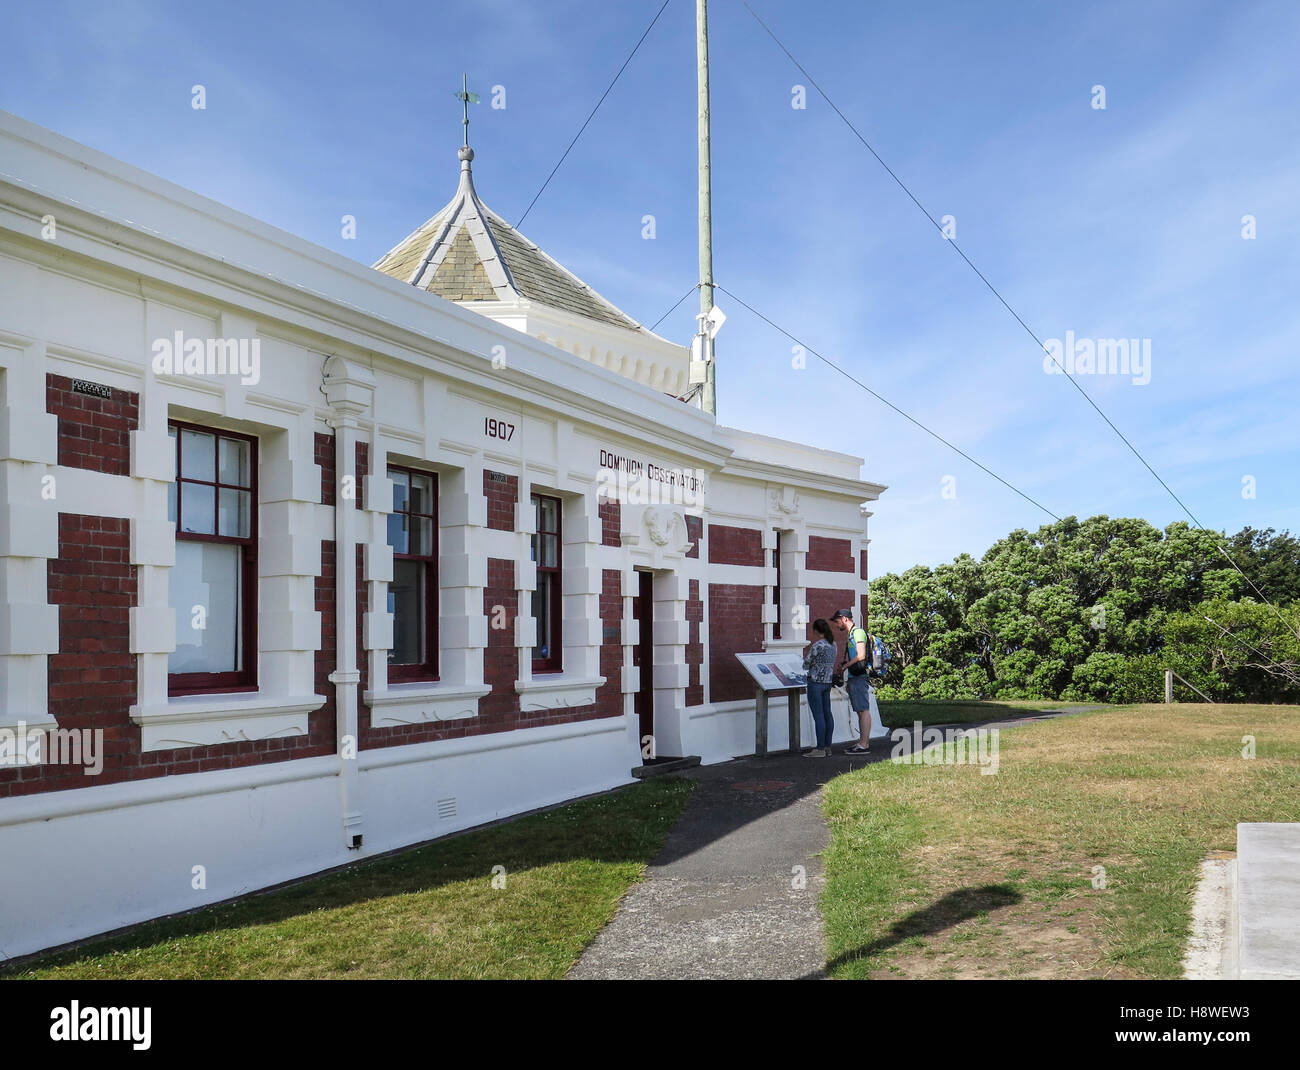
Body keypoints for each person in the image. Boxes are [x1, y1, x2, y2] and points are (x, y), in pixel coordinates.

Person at [831, 607, 873, 753]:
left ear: (844, 619)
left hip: (859, 676)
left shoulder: (858, 632)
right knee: (860, 710)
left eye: (837, 622)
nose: (837, 625)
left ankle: (864, 744)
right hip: (855, 676)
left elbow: (861, 655)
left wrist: (845, 666)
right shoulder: (851, 634)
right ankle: (862, 742)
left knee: (863, 710)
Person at [801, 618, 837, 757]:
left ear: (816, 630)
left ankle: (819, 748)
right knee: (828, 713)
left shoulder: (818, 645)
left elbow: (806, 663)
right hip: (827, 682)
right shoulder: (833, 644)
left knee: (819, 715)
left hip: (815, 682)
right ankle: (828, 747)